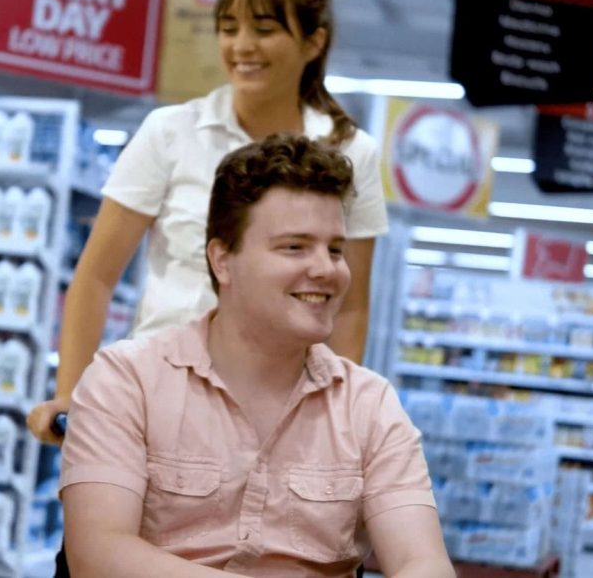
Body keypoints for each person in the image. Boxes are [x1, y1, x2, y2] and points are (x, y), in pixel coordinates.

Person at [59, 134, 453, 578]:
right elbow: (98, 555)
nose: (326, 269)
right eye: (295, 247)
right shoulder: (126, 381)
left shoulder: (370, 406)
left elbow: (423, 563)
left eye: (336, 249)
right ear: (222, 260)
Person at [29, 0, 388, 445]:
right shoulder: (169, 132)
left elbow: (348, 308)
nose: (241, 46)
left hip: (278, 410)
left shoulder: (351, 153)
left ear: (313, 42)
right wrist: (71, 396)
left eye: (264, 29)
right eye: (228, 28)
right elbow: (95, 276)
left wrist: (336, 422)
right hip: (159, 391)